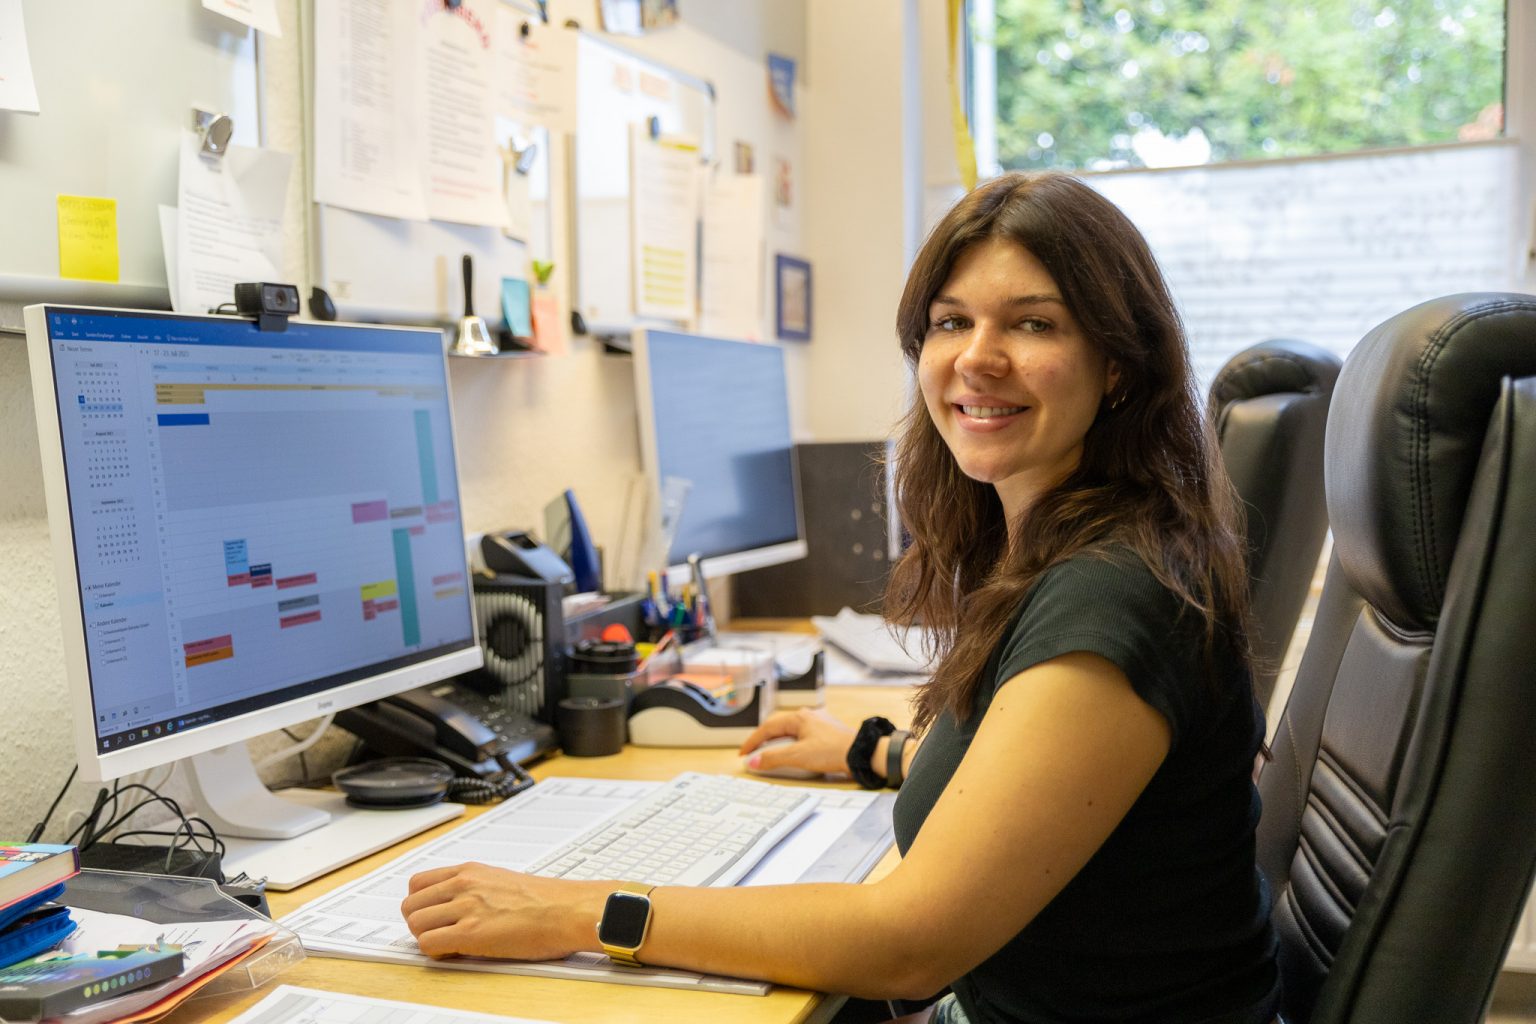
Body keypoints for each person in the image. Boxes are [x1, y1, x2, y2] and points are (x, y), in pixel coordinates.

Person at [401, 171, 1280, 1024]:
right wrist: (871, 753)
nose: (977, 358)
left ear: (1119, 364)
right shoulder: (1057, 548)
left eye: (1033, 324)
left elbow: (909, 945)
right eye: (951, 322)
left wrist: (579, 912)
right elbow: (1029, 776)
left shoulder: (1113, 598)